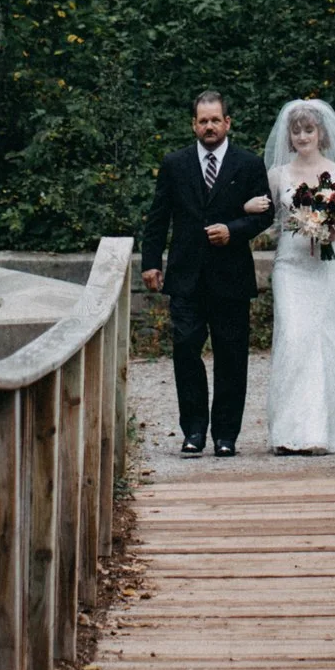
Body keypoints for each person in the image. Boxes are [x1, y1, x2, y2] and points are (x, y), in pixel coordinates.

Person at [140, 90, 271, 456]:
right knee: (185, 351)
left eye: (216, 120)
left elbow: (265, 214)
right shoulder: (174, 163)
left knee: (232, 356)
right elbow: (157, 217)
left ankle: (226, 435)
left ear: (227, 123)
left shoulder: (248, 164)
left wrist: (233, 230)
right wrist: (151, 261)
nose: (209, 126)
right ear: (193, 125)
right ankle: (194, 430)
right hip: (186, 276)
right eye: (203, 121)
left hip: (230, 276)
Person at [242, 98, 335, 454]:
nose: (302, 136)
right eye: (296, 130)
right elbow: (262, 217)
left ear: (321, 133)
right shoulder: (277, 175)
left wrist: (334, 229)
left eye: (308, 129)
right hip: (291, 267)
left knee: (325, 337)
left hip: (326, 266)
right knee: (294, 337)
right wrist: (245, 207)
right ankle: (292, 430)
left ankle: (330, 430)